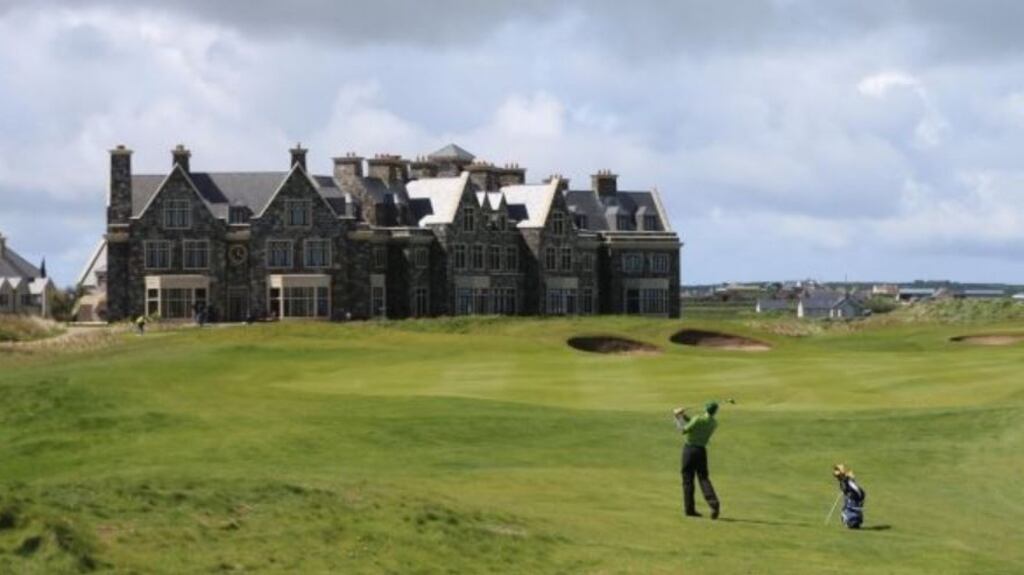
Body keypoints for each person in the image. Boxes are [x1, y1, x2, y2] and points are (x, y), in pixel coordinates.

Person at [673, 402, 721, 519]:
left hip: (689, 451)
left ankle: (689, 510)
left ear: (705, 409)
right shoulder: (714, 423)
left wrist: (677, 417)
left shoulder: (697, 418)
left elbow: (683, 430)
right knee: (704, 478)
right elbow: (694, 423)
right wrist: (684, 415)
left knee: (688, 480)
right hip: (701, 451)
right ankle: (714, 504)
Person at [833, 464, 866, 529]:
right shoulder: (844, 480)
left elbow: (856, 489)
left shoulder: (847, 480)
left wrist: (859, 497)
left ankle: (853, 523)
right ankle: (855, 523)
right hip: (853, 498)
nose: (837, 477)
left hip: (855, 498)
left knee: (847, 510)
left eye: (838, 475)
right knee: (848, 510)